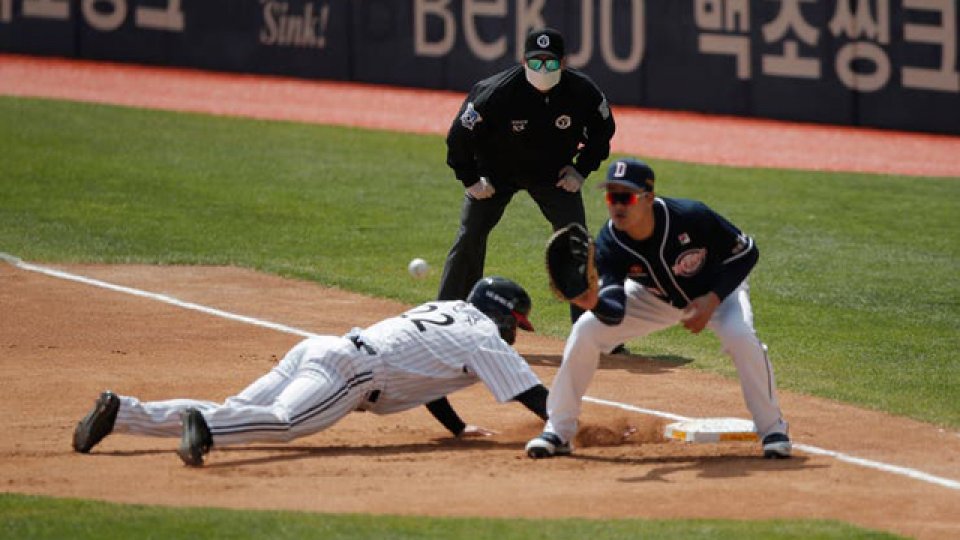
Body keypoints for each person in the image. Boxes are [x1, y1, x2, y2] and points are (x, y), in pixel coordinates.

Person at [72, 277, 550, 467]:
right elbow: (532, 395)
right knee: (284, 424)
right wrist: (570, 428)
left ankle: (124, 414)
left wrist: (458, 427)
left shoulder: (448, 310)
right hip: (354, 373)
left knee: (239, 410)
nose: (516, 334)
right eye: (518, 325)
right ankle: (208, 430)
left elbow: (430, 380)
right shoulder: (483, 336)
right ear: (505, 314)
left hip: (321, 348)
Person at [524, 158, 792, 459]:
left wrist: (712, 299)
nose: (617, 206)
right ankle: (558, 430)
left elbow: (747, 254)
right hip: (655, 298)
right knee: (586, 329)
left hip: (718, 292)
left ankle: (773, 429)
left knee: (739, 336)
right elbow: (616, 309)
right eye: (612, 196)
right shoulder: (611, 241)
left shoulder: (692, 216)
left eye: (625, 196)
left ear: (648, 198)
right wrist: (595, 303)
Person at [437, 27, 616, 326]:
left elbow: (603, 132)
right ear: (523, 61)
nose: (542, 69)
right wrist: (470, 179)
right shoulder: (495, 92)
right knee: (470, 236)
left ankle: (591, 325)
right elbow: (458, 137)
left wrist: (581, 170)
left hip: (553, 175)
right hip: (495, 175)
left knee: (577, 242)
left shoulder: (582, 92)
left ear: (564, 62)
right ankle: (446, 318)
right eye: (535, 62)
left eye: (550, 62)